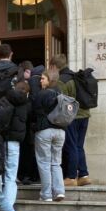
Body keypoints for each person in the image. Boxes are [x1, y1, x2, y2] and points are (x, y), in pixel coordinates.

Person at [52, 54, 92, 187]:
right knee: (79, 146)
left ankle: (71, 177)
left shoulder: (62, 81)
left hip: (72, 117)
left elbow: (62, 102)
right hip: (85, 115)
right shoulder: (76, 76)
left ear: (54, 67)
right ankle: (84, 175)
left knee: (71, 146)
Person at [33, 71, 67, 202]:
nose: (40, 81)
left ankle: (46, 194)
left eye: (43, 78)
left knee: (44, 163)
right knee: (56, 163)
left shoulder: (41, 94)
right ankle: (59, 191)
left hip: (44, 130)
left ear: (50, 80)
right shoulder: (61, 95)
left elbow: (34, 111)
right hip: (60, 131)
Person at [3, 80, 32, 206]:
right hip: (14, 141)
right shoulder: (26, 104)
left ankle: (0, 200)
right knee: (11, 174)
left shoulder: (6, 99)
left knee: (2, 173)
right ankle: (8, 204)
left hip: (2, 140)